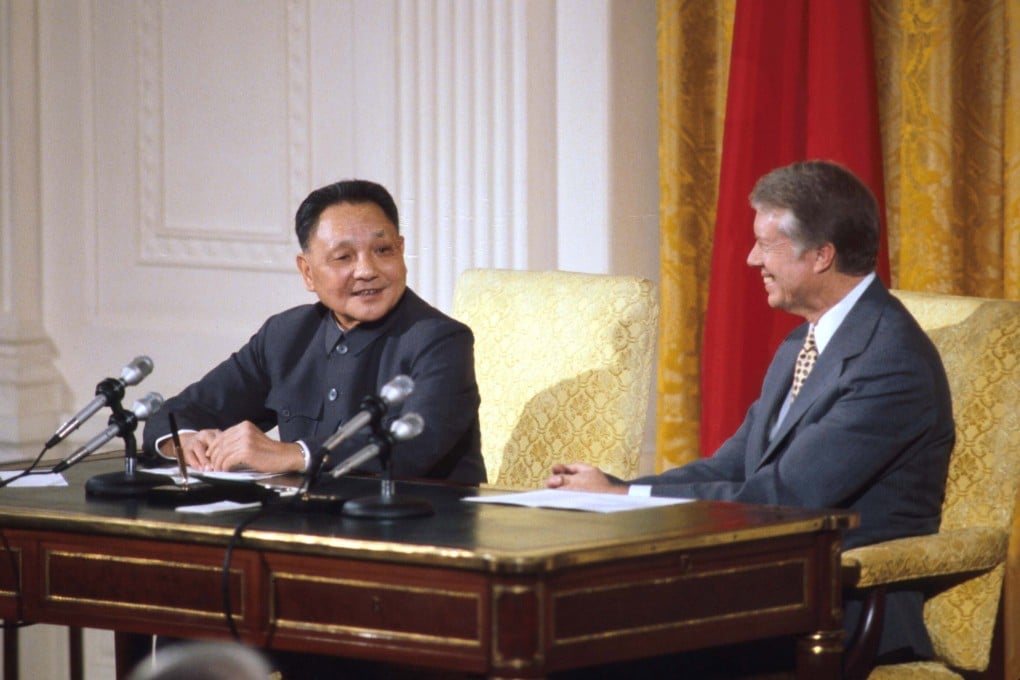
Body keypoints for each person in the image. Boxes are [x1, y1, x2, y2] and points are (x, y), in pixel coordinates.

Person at [545, 160, 954, 664]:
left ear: (822, 255)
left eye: (766, 244)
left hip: (837, 612)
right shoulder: (801, 343)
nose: (750, 258)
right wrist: (617, 490)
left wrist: (625, 497)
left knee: (597, 644)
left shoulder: (889, 361)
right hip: (770, 590)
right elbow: (732, 467)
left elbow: (782, 497)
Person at [142, 179, 486, 485]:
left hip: (421, 535)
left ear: (401, 250)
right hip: (309, 529)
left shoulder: (441, 340)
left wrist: (295, 454)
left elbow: (417, 445)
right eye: (343, 257)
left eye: (383, 250)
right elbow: (179, 413)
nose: (367, 270)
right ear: (307, 272)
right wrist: (185, 442)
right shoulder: (286, 336)